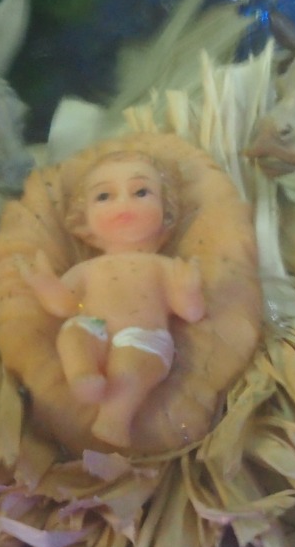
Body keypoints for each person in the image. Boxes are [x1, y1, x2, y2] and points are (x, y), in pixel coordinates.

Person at [16, 149, 205, 447]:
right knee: (74, 333)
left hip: (143, 336)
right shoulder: (87, 270)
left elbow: (191, 313)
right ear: (84, 218)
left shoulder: (163, 267)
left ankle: (114, 420)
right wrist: (46, 286)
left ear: (166, 209)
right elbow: (64, 306)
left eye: (140, 192)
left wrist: (188, 290)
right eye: (104, 196)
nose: (123, 204)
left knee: (129, 369)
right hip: (95, 325)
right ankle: (83, 375)